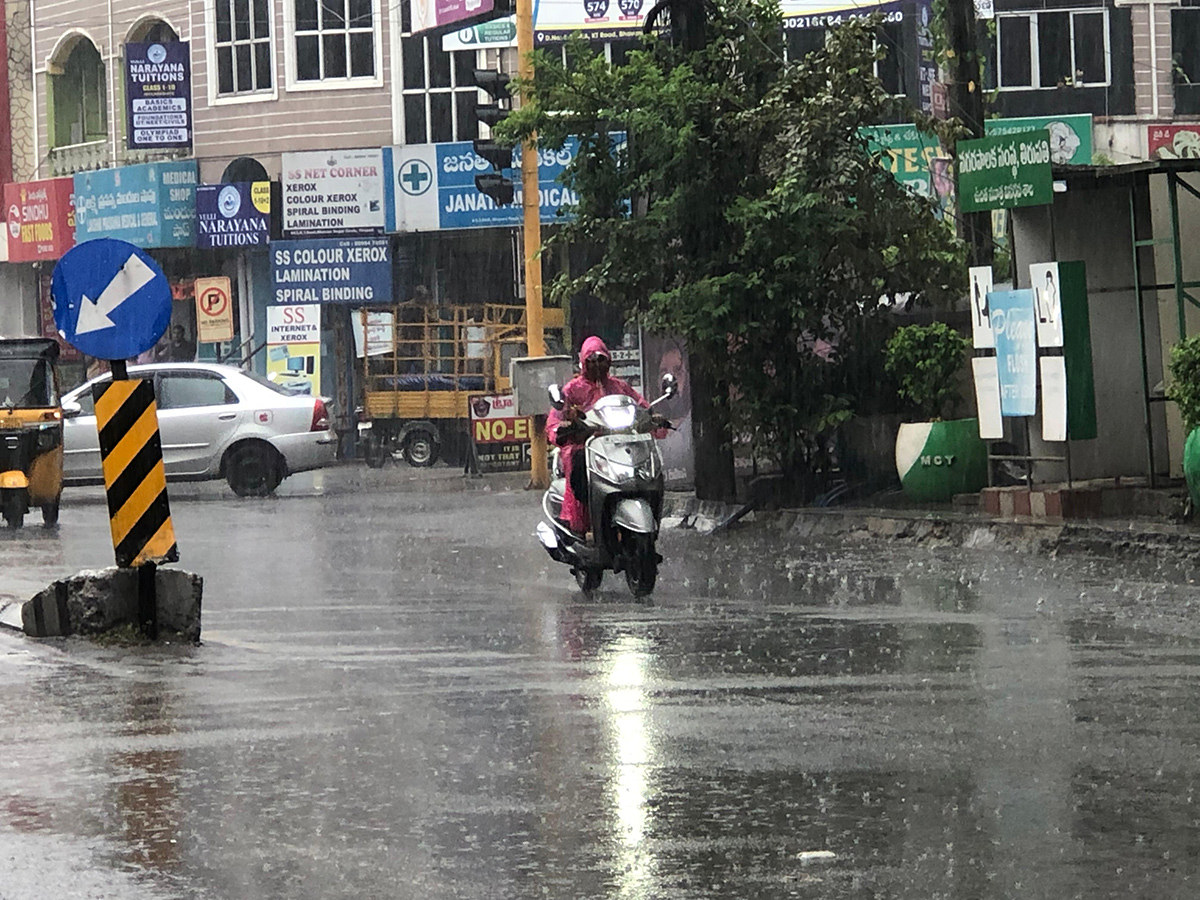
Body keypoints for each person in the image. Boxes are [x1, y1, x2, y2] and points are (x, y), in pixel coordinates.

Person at [547, 336, 668, 536]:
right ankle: (583, 525)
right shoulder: (572, 389)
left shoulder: (619, 386)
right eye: (591, 361)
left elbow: (641, 407)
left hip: (622, 444)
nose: (596, 365)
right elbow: (555, 419)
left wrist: (654, 416)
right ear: (584, 363)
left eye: (600, 360)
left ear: (608, 360)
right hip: (587, 446)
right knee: (578, 468)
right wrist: (563, 427)